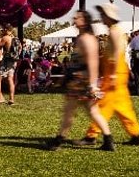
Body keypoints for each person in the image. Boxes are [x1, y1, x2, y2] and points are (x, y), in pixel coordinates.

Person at [76, 4, 139, 148]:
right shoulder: (116, 31)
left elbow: (116, 53)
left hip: (114, 73)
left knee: (102, 105)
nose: (101, 17)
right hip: (117, 73)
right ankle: (136, 134)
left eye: (103, 14)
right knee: (123, 106)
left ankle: (91, 135)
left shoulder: (114, 32)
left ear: (109, 16)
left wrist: (112, 75)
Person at [45, 10, 114, 152]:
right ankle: (108, 140)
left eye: (78, 17)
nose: (75, 19)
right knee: (92, 111)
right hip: (80, 80)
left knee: (69, 111)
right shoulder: (83, 37)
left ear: (85, 21)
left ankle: (58, 140)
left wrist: (92, 85)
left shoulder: (86, 39)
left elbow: (93, 62)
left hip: (81, 81)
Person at [0, 24, 18, 105]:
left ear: (6, 29)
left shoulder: (6, 38)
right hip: (13, 61)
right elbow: (20, 48)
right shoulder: (15, 39)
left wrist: (0, 37)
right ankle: (11, 99)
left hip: (6, 61)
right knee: (10, 79)